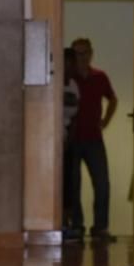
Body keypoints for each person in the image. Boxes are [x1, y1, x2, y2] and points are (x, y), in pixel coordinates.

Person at [66, 37, 118, 241]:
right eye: (78, 53)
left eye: (85, 52)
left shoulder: (100, 77)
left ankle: (100, 227)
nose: (82, 57)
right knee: (73, 184)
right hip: (72, 139)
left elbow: (112, 99)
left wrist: (105, 120)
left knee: (102, 183)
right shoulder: (69, 79)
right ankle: (77, 226)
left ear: (91, 53)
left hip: (94, 139)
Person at [62, 48, 82, 242]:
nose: (69, 67)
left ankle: (68, 222)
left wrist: (70, 138)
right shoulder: (55, 83)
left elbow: (75, 114)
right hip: (54, 138)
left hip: (69, 137)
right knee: (60, 182)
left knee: (71, 182)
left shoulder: (74, 85)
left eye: (71, 63)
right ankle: (59, 222)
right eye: (66, 63)